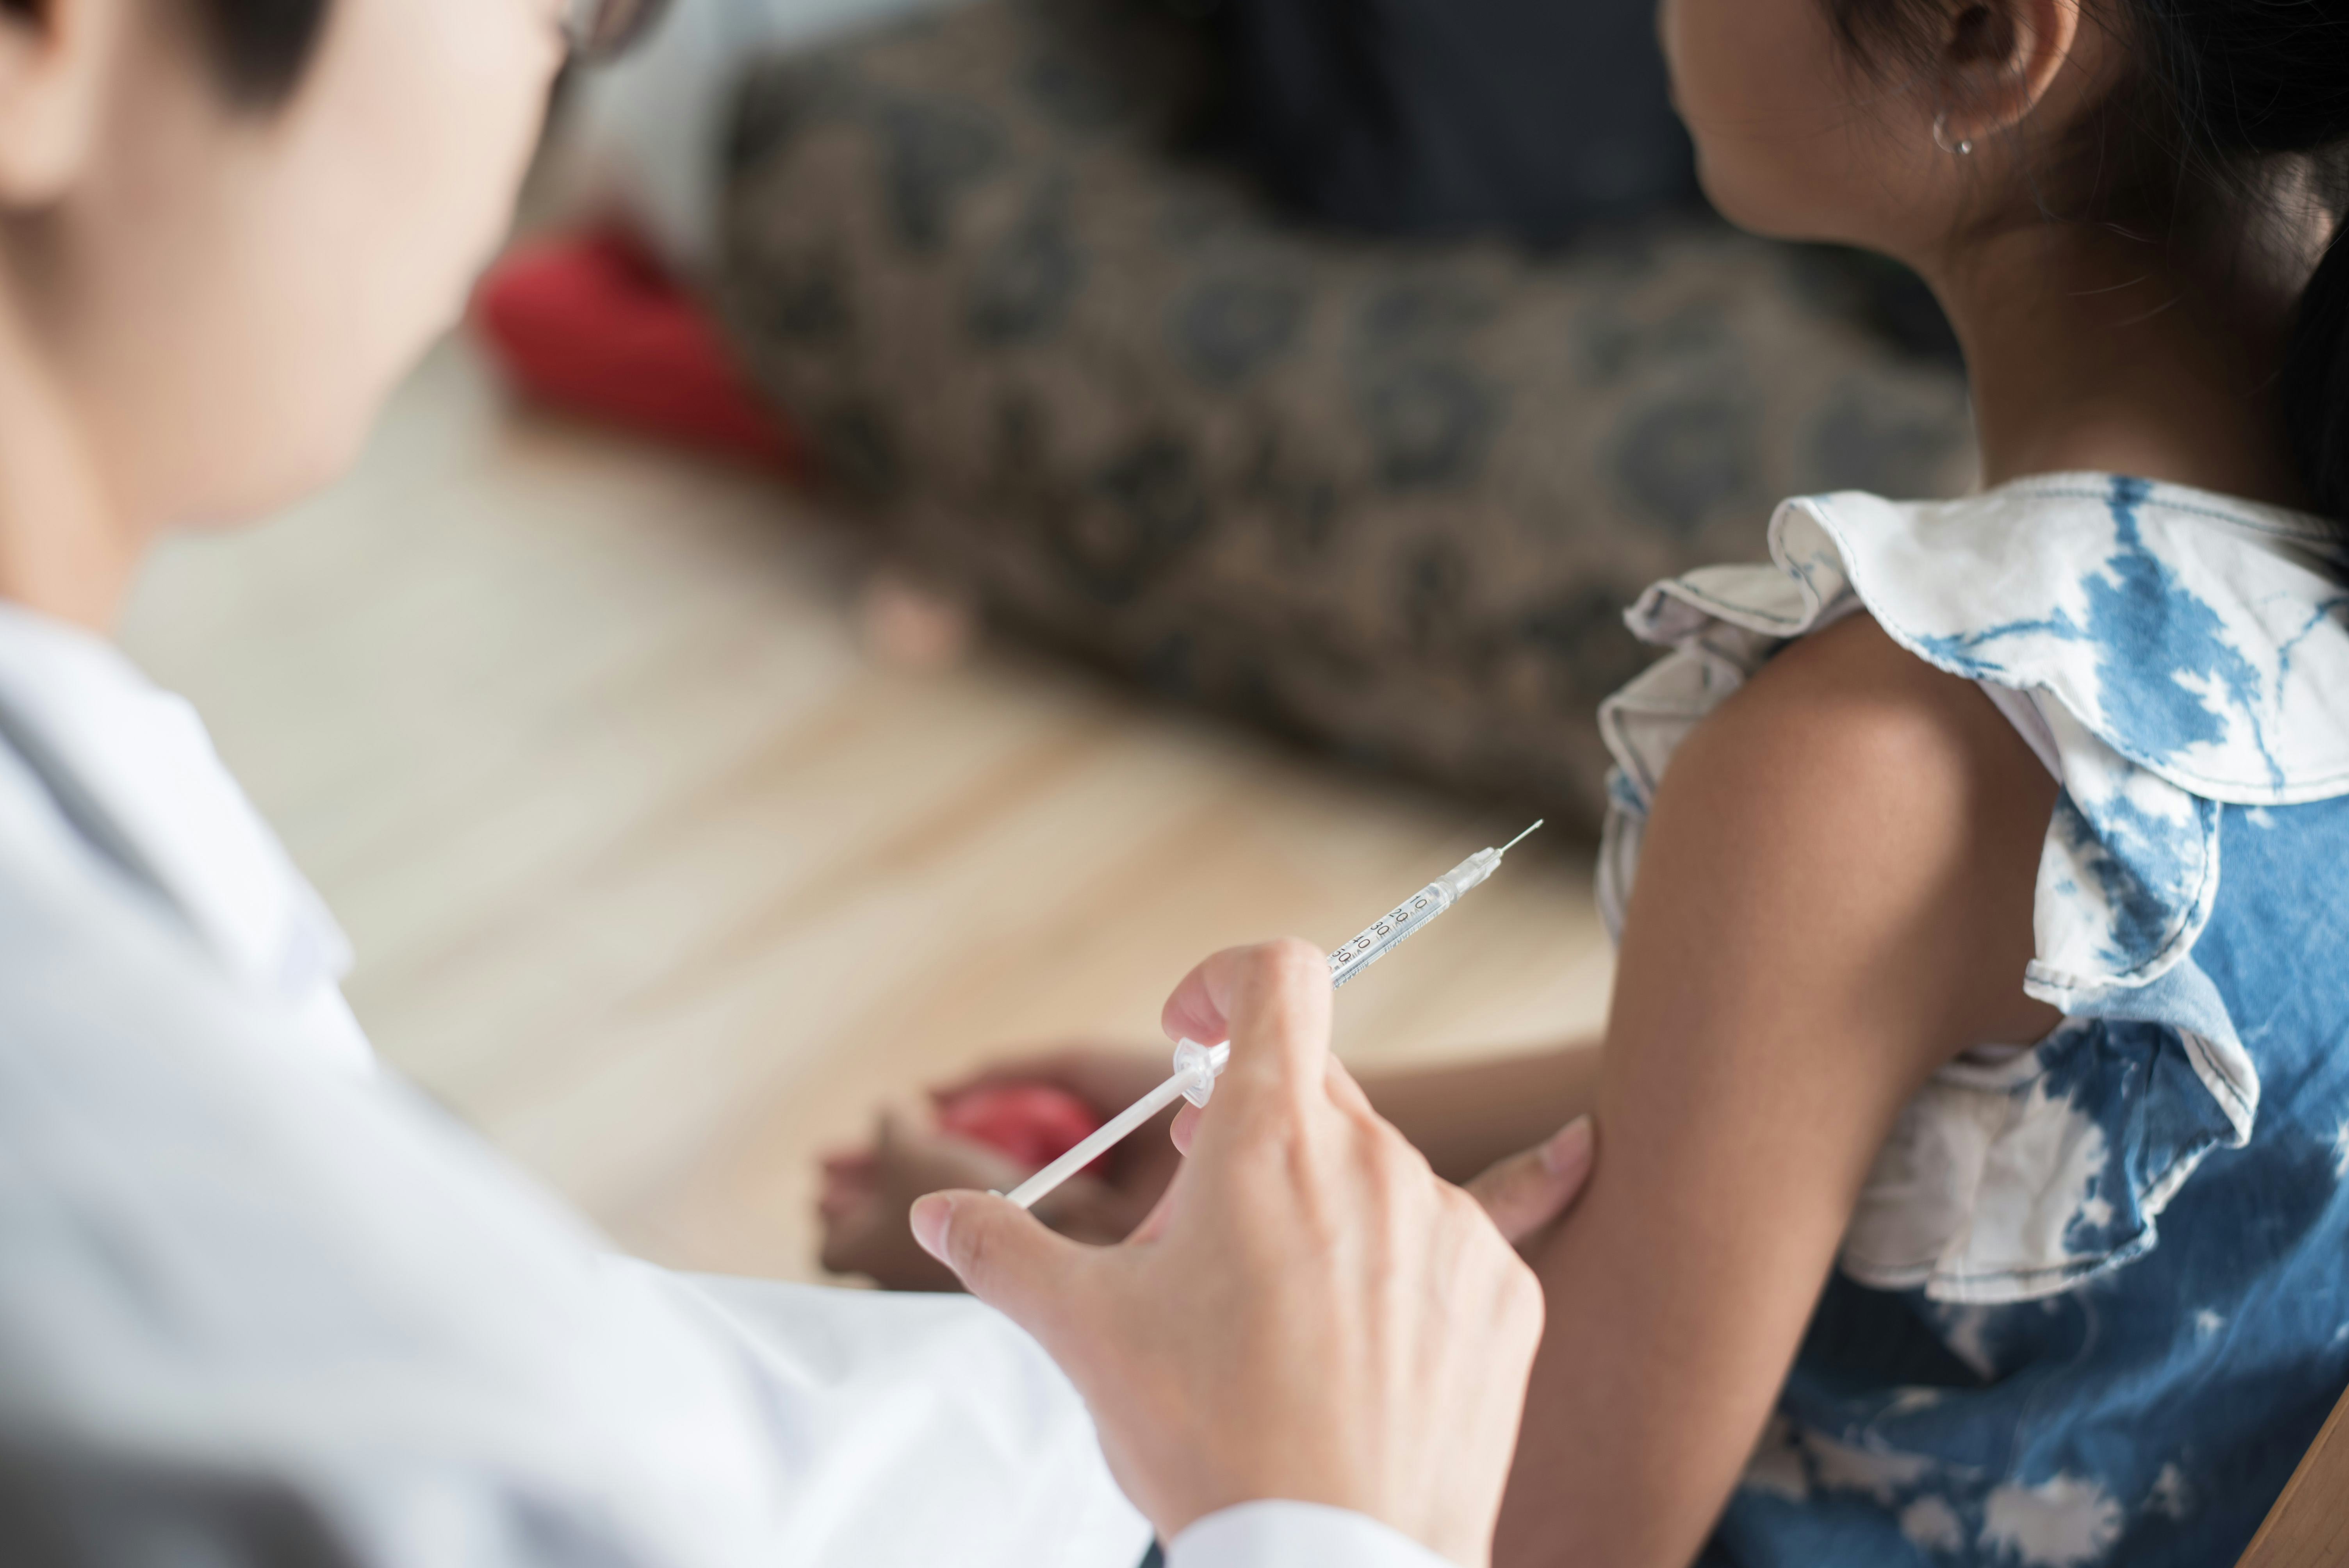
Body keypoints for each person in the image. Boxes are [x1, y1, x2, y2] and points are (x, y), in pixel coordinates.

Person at [0, 2, 1599, 1565]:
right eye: (564, 13)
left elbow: (611, 1409)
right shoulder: (120, 1160)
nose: (543, 109)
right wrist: (1341, 1507)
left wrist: (1143, 1379)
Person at [827, 0, 2349, 1563]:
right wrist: (1260, 1144)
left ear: (1980, 36)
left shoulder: (1886, 753)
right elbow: (1804, 1077)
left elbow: (1532, 1539)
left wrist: (1056, 1315)